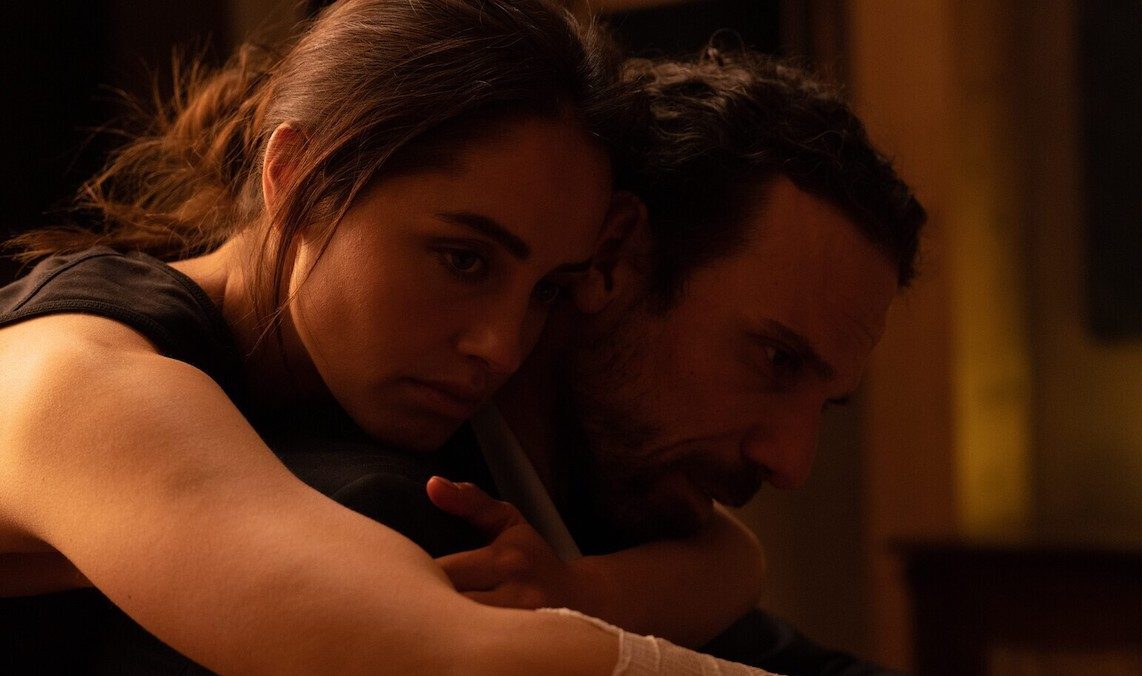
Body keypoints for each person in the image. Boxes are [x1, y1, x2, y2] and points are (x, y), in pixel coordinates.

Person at [0, 1, 775, 674]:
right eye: (463, 260)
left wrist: (585, 593)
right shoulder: (78, 380)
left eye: (546, 290)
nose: (502, 347)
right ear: (298, 180)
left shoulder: (352, 365)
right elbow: (447, 656)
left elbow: (730, 553)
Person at [260, 48, 925, 675]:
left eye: (825, 405)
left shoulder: (615, 522)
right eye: (777, 360)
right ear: (611, 259)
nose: (793, 464)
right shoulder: (391, 528)